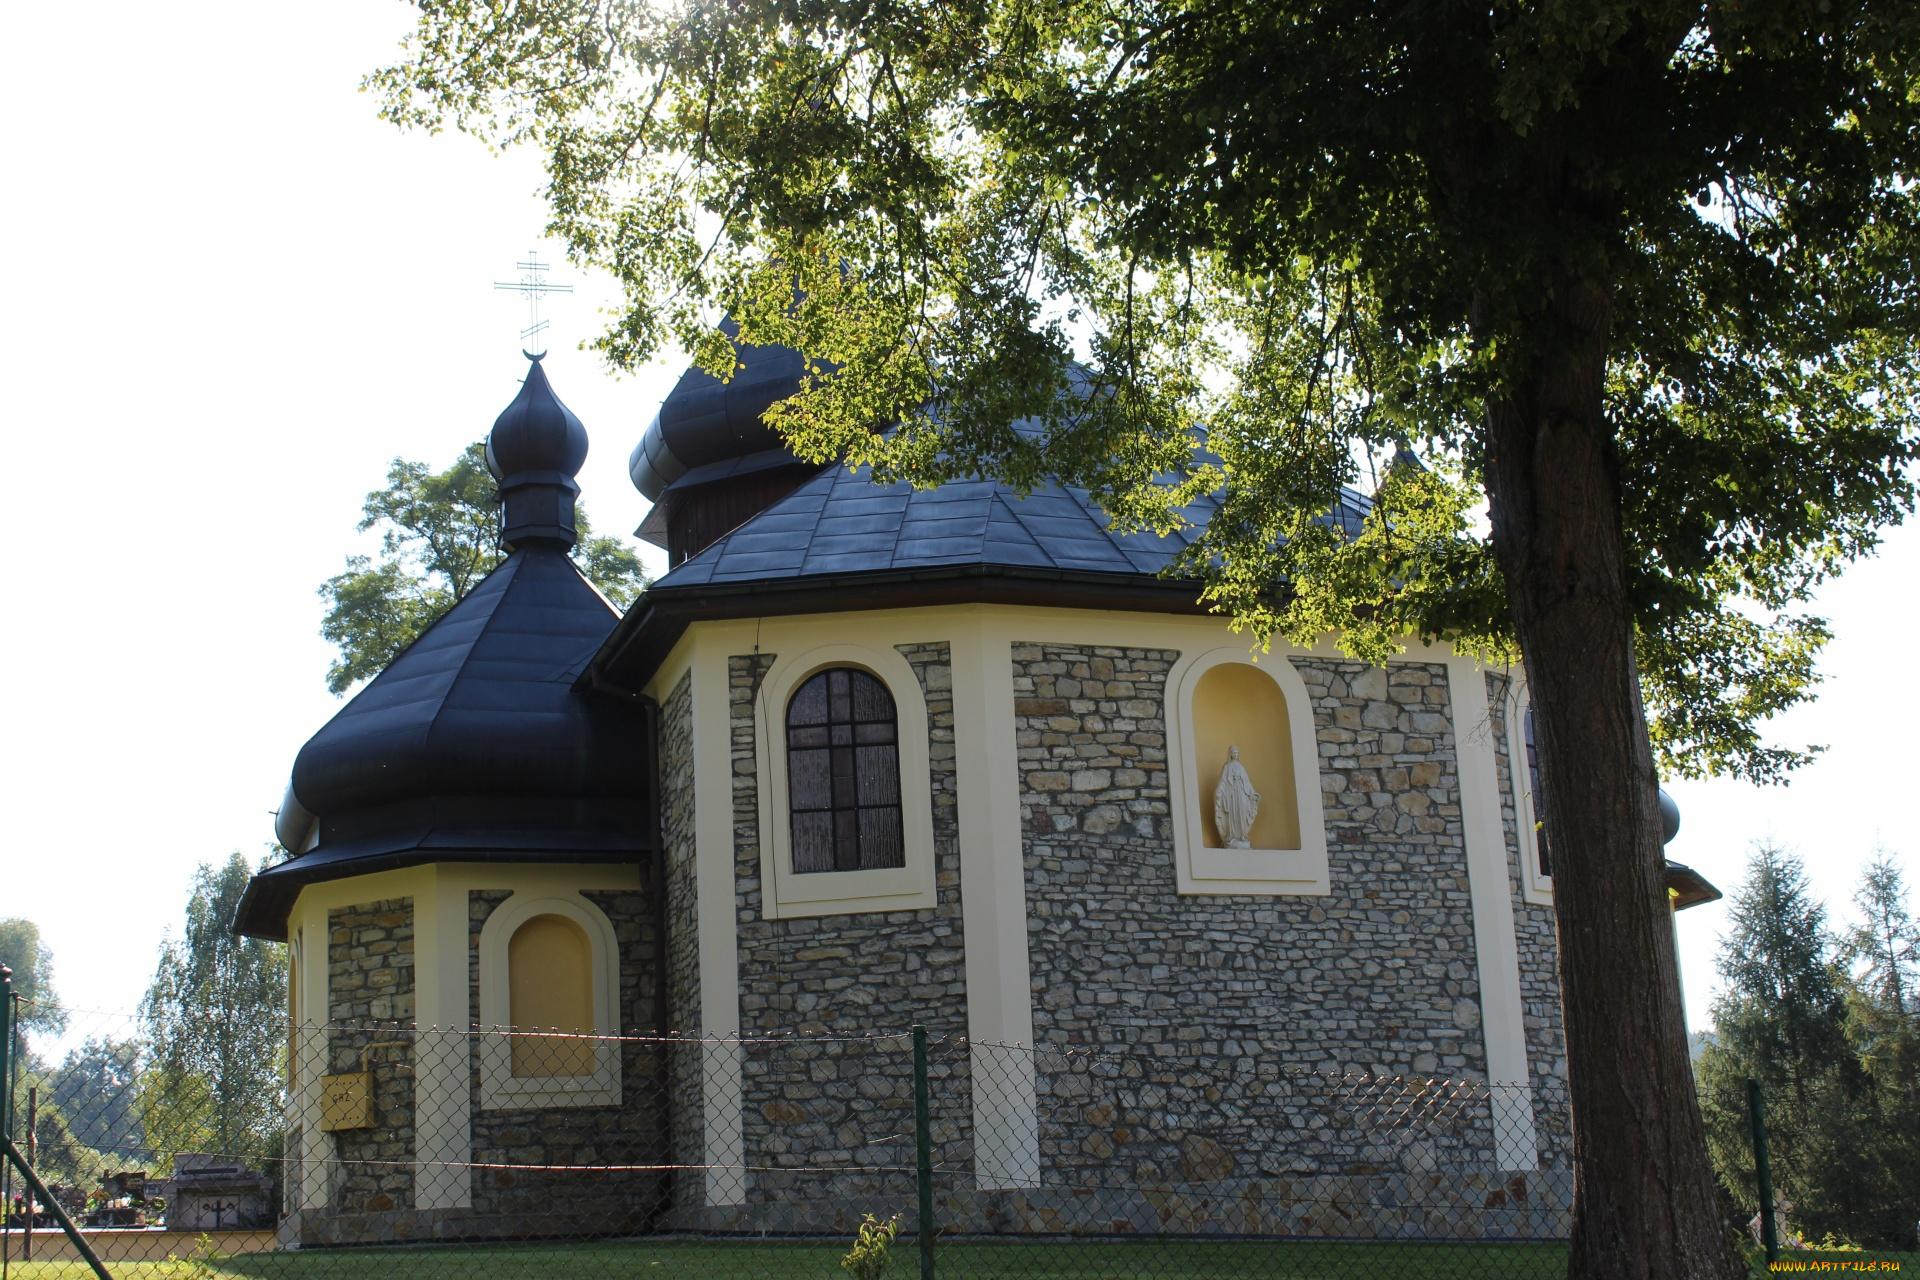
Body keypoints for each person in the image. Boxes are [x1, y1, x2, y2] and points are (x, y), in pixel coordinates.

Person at [1213, 745, 1260, 847]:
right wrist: (1219, 791)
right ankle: (1232, 835)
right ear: (1230, 754)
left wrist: (1252, 793)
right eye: (1234, 753)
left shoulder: (1240, 767)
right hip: (1232, 793)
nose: (1235, 754)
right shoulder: (1227, 767)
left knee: (1243, 809)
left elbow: (1247, 782)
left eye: (1237, 753)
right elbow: (1223, 781)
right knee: (1233, 812)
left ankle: (1242, 834)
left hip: (1241, 791)